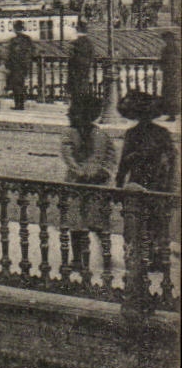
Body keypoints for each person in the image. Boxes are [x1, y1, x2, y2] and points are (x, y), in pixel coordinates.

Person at [114, 90, 177, 281]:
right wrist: (119, 181)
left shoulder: (159, 134)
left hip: (156, 181)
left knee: (155, 220)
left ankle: (154, 255)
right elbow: (124, 161)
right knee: (142, 220)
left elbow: (172, 159)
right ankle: (144, 255)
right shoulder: (135, 134)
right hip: (141, 181)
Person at [59, 92, 115, 276]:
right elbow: (68, 157)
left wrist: (103, 173)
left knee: (99, 222)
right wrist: (80, 173)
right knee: (76, 223)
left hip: (97, 184)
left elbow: (110, 158)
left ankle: (106, 257)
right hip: (77, 184)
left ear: (84, 115)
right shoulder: (69, 134)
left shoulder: (101, 135)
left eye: (73, 113)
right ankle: (76, 259)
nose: (69, 116)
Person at [4, 21, 36, 110]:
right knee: (20, 84)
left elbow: (11, 54)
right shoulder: (27, 39)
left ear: (16, 29)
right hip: (23, 66)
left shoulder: (14, 41)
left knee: (17, 85)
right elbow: (32, 52)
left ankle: (19, 105)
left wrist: (8, 65)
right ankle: (20, 104)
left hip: (16, 66)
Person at [66, 33, 97, 105]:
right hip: (85, 68)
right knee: (83, 85)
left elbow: (71, 56)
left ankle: (76, 102)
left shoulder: (74, 44)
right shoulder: (89, 43)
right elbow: (92, 56)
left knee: (75, 86)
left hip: (75, 69)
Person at [159, 30, 179, 122]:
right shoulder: (173, 48)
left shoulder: (170, 49)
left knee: (171, 95)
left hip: (171, 74)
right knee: (172, 95)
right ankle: (172, 114)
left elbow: (172, 61)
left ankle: (172, 114)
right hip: (171, 74)